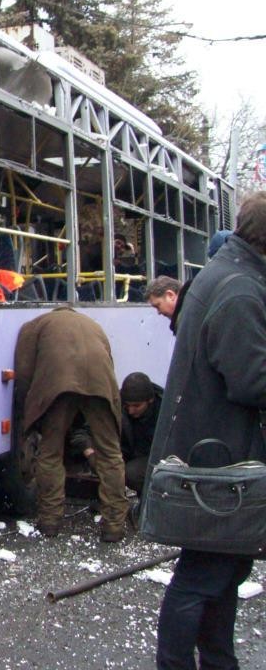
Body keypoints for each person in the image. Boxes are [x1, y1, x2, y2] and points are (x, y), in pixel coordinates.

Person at [147, 193, 266, 670]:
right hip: (222, 465)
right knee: (204, 575)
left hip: (216, 458)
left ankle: (219, 661)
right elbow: (252, 379)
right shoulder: (240, 288)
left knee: (222, 569)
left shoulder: (227, 275)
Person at [13, 306, 128, 542]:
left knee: (50, 454)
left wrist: (26, 411)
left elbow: (23, 372)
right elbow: (109, 360)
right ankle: (114, 526)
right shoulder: (93, 325)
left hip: (58, 387)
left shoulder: (34, 326)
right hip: (100, 386)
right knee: (110, 454)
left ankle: (50, 521)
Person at [118, 372, 161, 492]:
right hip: (126, 453)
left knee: (132, 473)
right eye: (127, 406)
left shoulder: (164, 411)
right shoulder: (117, 404)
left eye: (137, 406)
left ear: (150, 400)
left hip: (158, 458)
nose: (131, 411)